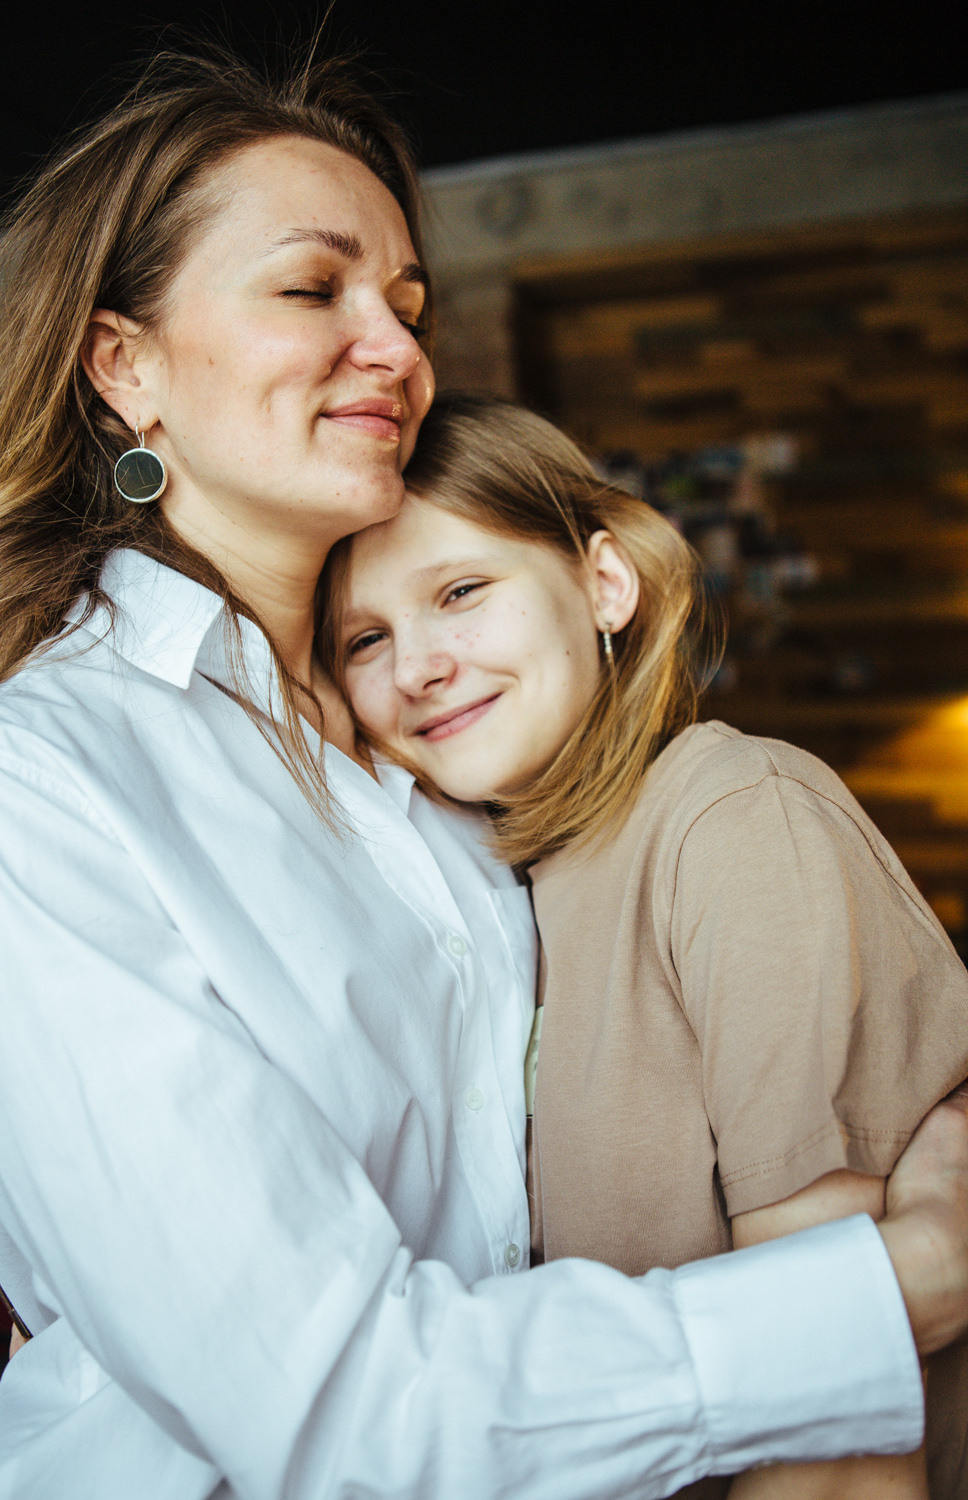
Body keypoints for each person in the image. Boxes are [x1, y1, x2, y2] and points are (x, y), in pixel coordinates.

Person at [0, 51, 966, 1500]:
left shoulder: (426, 766)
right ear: (124, 366)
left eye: (408, 306)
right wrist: (905, 1287)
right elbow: (338, 1407)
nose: (395, 348)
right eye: (315, 291)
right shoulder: (40, 784)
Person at [325, 392, 968, 1499]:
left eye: (463, 592)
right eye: (367, 639)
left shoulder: (731, 817)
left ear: (602, 586)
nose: (419, 665)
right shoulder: (492, 891)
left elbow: (836, 1425)